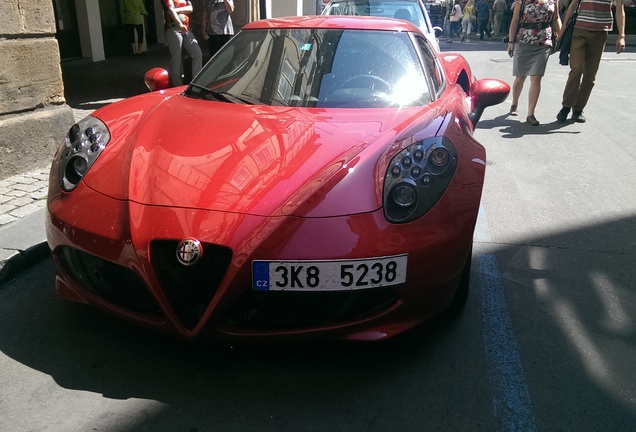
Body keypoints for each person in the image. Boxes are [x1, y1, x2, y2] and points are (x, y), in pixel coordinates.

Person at [555, 0, 625, 123]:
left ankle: (578, 110)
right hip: (579, 30)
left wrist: (622, 36)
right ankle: (566, 106)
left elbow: (620, 10)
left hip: (600, 33)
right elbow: (573, 4)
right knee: (576, 69)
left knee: (590, 75)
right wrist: (563, 28)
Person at [507, 0, 561, 125]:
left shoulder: (553, 0)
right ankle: (514, 103)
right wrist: (511, 42)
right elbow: (515, 20)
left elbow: (556, 18)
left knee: (536, 77)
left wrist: (561, 36)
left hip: (544, 42)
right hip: (524, 40)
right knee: (520, 76)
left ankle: (530, 114)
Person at [162, 0, 203, 86]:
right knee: (177, 57)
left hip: (186, 29)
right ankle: (177, 84)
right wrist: (180, 24)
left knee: (197, 53)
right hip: (173, 29)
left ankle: (196, 83)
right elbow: (170, 10)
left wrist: (176, 10)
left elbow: (190, 8)